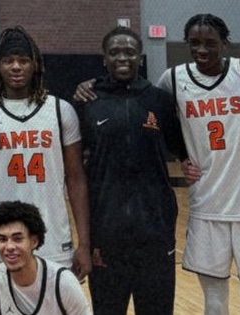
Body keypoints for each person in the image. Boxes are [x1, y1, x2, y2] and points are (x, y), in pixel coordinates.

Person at [158, 14, 240, 315]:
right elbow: (158, 123)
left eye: (210, 43)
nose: (202, 50)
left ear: (225, 43)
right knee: (214, 302)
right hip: (206, 207)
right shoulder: (173, 79)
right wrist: (181, 154)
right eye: (194, 43)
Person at [79, 27, 186, 315]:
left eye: (129, 52)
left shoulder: (160, 101)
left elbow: (183, 148)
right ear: (104, 59)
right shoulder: (87, 102)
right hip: (106, 236)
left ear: (140, 57)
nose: (122, 57)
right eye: (114, 52)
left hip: (155, 233)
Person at [0, 26, 91, 278]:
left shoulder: (61, 111)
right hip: (1, 239)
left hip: (53, 237)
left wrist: (85, 244)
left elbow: (76, 178)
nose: (16, 67)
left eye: (23, 60)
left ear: (35, 64)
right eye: (8, 61)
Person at [0, 201, 91, 315]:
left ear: (34, 241)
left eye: (17, 239)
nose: (10, 247)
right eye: (2, 239)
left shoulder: (63, 282)